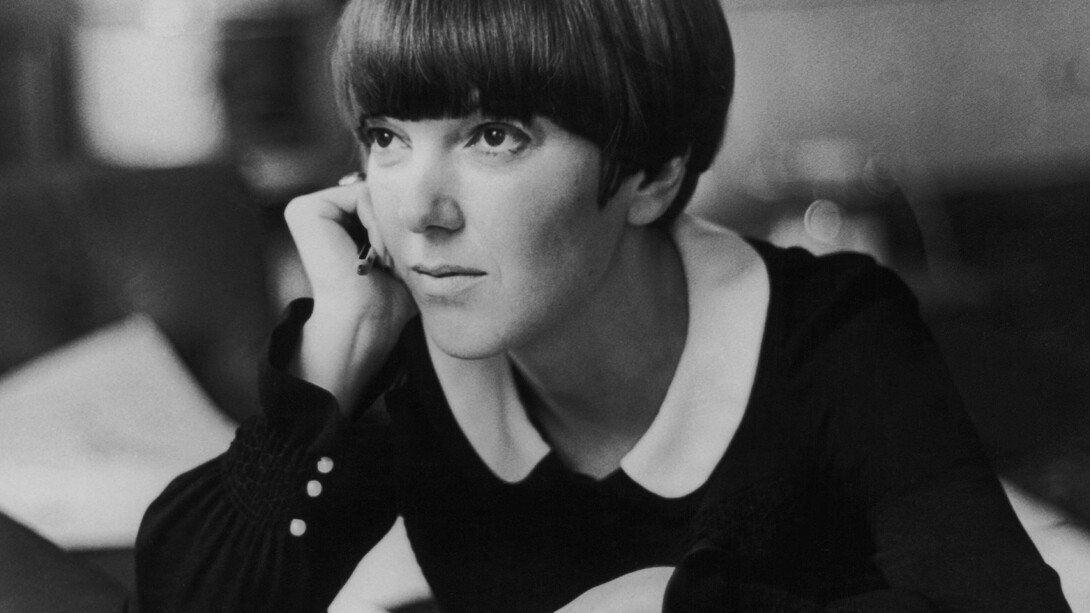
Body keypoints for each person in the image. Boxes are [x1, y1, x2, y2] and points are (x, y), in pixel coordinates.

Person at [134, 0, 1072, 611]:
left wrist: (671, 603)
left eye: (493, 135)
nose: (418, 207)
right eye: (385, 136)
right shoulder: (409, 358)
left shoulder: (833, 330)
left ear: (654, 174)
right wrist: (331, 359)